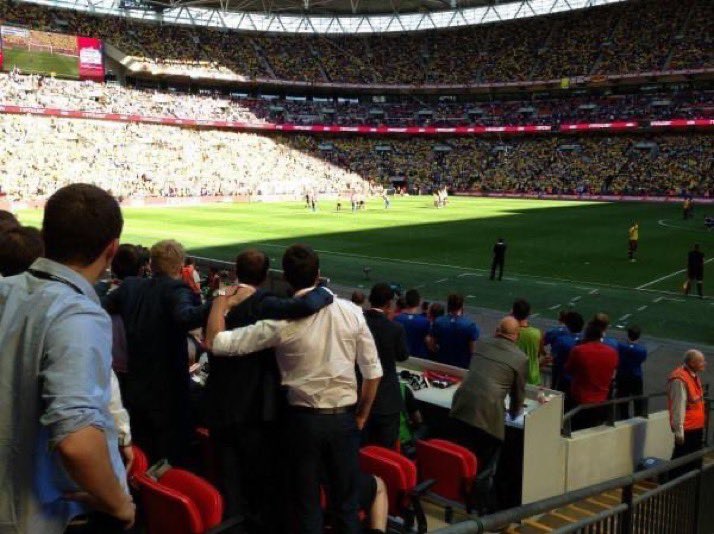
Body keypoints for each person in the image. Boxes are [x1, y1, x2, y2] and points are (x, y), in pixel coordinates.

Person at [207, 244, 383, 534]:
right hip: (341, 420)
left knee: (307, 508)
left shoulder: (281, 323)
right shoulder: (351, 312)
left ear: (286, 278)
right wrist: (361, 416)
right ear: (319, 274)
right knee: (346, 507)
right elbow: (373, 372)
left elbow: (216, 343)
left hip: (302, 423)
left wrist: (220, 299)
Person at [0, 184, 135, 533]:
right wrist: (120, 504)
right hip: (47, 517)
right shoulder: (78, 315)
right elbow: (76, 440)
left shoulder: (7, 290)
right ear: (111, 250)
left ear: (45, 236)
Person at [205, 248, 333, 533]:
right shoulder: (265, 301)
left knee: (229, 480)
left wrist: (220, 295)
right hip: (256, 407)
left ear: (238, 271)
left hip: (221, 403)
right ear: (265, 276)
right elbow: (302, 306)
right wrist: (325, 290)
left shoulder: (220, 298)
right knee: (261, 480)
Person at [104, 239, 211, 466]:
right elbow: (186, 316)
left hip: (136, 388)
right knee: (170, 459)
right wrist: (220, 302)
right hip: (168, 395)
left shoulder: (131, 287)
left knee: (142, 453)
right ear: (179, 265)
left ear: (151, 264)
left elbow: (101, 305)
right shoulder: (176, 289)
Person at [449, 316, 528, 515]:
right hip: (488, 416)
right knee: (486, 467)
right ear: (516, 336)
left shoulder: (482, 343)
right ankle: (482, 509)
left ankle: (460, 499)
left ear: (497, 330)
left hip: (461, 406)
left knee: (462, 458)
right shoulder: (520, 358)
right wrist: (515, 412)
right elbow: (518, 396)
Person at [363, 283, 409, 448]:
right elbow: (402, 355)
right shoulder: (395, 328)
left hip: (359, 395)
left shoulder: (358, 321)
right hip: (385, 400)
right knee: (384, 453)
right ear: (389, 304)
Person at [565, 322, 619, 430]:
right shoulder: (612, 352)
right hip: (602, 401)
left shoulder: (579, 350)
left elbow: (568, 369)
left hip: (580, 401)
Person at [668, 350, 707, 473]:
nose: (704, 364)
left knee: (692, 462)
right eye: (701, 361)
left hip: (696, 427)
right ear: (691, 362)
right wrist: (679, 431)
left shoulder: (693, 376)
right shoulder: (679, 379)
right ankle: (671, 486)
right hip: (687, 429)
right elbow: (677, 407)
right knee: (681, 462)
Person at [427, 293, 480, 369]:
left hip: (442, 362)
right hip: (461, 365)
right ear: (462, 306)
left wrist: (438, 350)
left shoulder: (439, 322)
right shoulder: (470, 325)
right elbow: (473, 350)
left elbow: (431, 344)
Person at [615, 325, 648, 419]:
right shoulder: (641, 350)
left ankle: (623, 419)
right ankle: (638, 418)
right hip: (636, 377)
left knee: (622, 401)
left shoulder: (620, 346)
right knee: (638, 400)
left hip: (622, 376)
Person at [512, 299, 545, 386]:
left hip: (513, 375)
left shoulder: (509, 332)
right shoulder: (537, 333)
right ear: (529, 313)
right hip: (532, 376)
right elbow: (538, 355)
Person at [550, 311, 584, 393]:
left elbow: (553, 355)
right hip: (579, 380)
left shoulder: (562, 340)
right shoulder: (586, 340)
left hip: (562, 379)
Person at [394, 288, 431, 358]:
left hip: (400, 357)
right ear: (419, 302)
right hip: (419, 358)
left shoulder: (397, 318)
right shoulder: (424, 321)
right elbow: (428, 341)